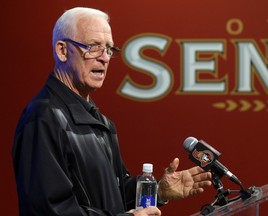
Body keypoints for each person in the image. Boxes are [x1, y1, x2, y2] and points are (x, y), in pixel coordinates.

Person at [12, 7, 212, 216]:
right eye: (93, 47)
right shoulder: (44, 118)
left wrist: (159, 190)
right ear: (62, 51)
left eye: (108, 49)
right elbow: (49, 211)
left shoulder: (102, 122)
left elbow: (114, 195)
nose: (105, 58)